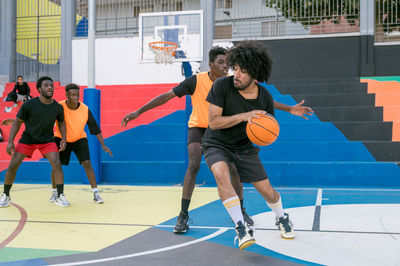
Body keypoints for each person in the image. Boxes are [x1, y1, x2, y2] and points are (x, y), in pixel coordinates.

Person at [121, 46, 313, 234]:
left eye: (229, 64)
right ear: (210, 64)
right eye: (224, 64)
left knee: (242, 174)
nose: (227, 68)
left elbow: (261, 101)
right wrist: (138, 111)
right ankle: (187, 214)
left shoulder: (244, 86)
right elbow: (169, 97)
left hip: (234, 135)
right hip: (203, 128)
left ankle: (248, 212)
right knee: (196, 163)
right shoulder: (200, 81)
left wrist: (288, 109)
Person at [203, 41, 296, 250]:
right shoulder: (222, 86)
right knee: (220, 173)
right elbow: (214, 122)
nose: (236, 74)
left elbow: (268, 129)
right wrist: (245, 116)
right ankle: (240, 226)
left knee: (267, 191)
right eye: (235, 68)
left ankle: (281, 217)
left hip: (244, 147)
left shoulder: (264, 97)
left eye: (242, 72)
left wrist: (261, 129)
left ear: (255, 74)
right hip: (216, 142)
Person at [0, 76, 70, 207]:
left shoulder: (57, 107)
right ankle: (6, 195)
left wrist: (64, 139)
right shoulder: (28, 105)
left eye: (51, 85)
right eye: (46, 85)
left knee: (56, 163)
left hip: (47, 140)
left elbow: (62, 123)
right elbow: (17, 123)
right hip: (28, 139)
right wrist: (10, 142)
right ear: (39, 89)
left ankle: (60, 196)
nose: (50, 87)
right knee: (13, 164)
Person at [50, 83, 113, 204]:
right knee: (56, 165)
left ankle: (96, 194)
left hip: (79, 138)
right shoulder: (59, 106)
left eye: (77, 95)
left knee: (87, 163)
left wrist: (103, 145)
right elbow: (47, 120)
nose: (75, 97)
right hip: (61, 139)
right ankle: (55, 193)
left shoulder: (85, 109)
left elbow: (95, 128)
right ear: (66, 95)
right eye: (72, 95)